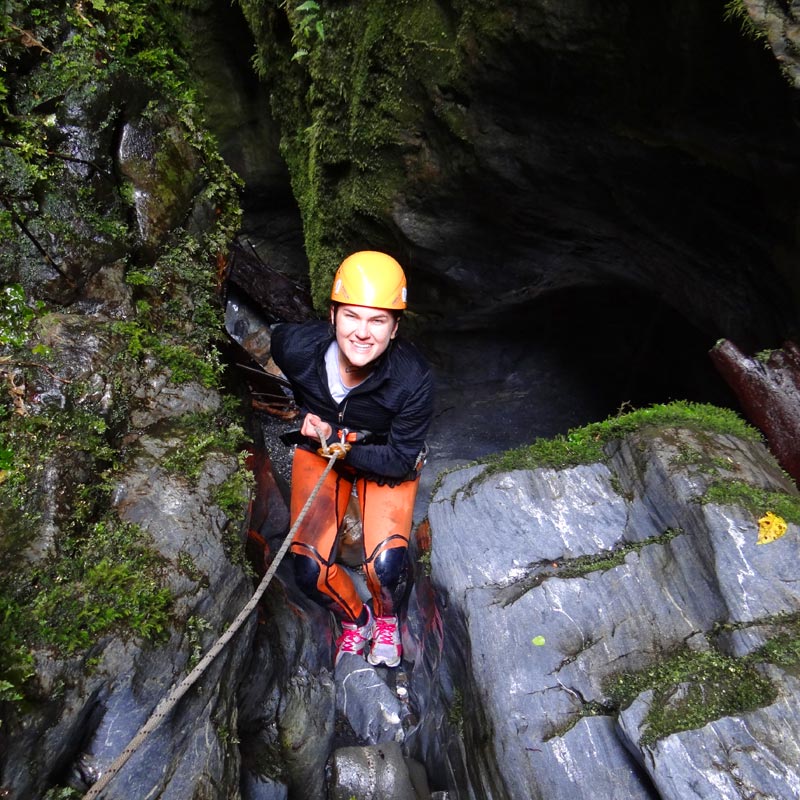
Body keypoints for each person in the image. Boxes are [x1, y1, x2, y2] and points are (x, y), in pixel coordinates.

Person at [270, 251, 433, 668]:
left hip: (383, 456)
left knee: (386, 566)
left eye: (378, 321)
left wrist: (341, 443)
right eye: (352, 317)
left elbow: (400, 459)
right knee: (309, 569)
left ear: (395, 328)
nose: (362, 333)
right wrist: (304, 410)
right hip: (322, 448)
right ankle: (355, 619)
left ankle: (385, 617)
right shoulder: (295, 348)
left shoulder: (412, 378)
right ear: (332, 316)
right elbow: (283, 360)